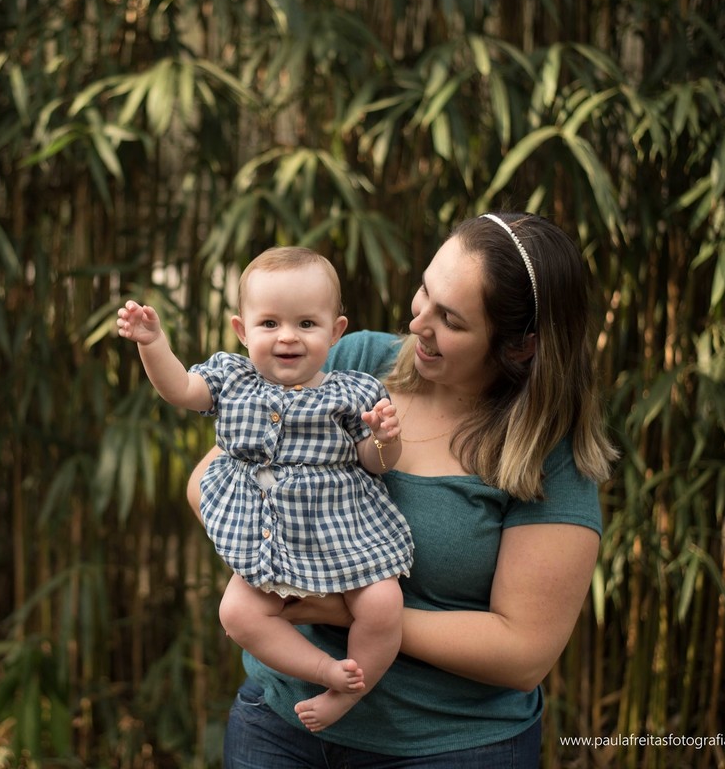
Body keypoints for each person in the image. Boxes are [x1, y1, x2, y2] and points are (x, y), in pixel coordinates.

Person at [189, 213, 618, 767]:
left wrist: (346, 606)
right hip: (280, 724)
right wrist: (277, 562)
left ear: (519, 346)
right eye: (424, 292)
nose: (418, 323)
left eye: (451, 320)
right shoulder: (354, 363)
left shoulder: (546, 453)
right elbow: (209, 481)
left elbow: (523, 653)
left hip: (451, 745)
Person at [117, 246, 415, 731]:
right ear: (242, 330)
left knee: (383, 605)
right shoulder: (232, 378)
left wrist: (386, 440)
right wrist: (153, 344)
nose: (287, 338)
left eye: (306, 324)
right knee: (236, 612)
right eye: (270, 323)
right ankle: (327, 672)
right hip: (269, 536)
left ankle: (350, 694)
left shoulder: (354, 391)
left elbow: (374, 465)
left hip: (343, 529)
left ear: (335, 331)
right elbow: (181, 390)